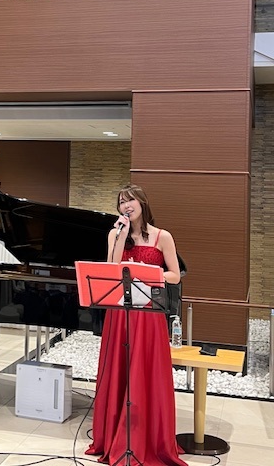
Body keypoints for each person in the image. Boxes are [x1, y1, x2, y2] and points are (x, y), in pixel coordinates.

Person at [86, 184, 188, 466]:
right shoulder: (115, 233)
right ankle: (114, 435)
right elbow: (111, 268)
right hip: (120, 313)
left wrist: (152, 274)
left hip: (149, 314)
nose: (126, 206)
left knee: (145, 369)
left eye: (130, 200)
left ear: (142, 203)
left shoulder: (162, 236)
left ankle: (147, 438)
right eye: (121, 202)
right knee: (119, 368)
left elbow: (175, 275)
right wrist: (120, 234)